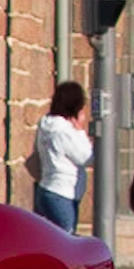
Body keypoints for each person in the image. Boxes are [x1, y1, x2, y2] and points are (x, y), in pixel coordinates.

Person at [30, 81, 93, 233]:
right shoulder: (65, 132)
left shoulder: (46, 125)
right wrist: (80, 130)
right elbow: (87, 158)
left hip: (46, 189)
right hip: (62, 194)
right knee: (65, 243)